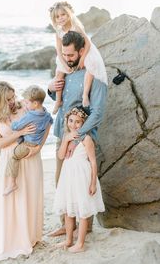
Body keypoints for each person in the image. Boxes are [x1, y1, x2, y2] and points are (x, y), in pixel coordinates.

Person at [48, 30, 108, 236]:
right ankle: (67, 225)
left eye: (71, 55)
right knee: (62, 180)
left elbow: (98, 111)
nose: (67, 59)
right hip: (62, 133)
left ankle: (86, 228)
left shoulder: (95, 73)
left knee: (82, 183)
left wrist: (78, 138)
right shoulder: (67, 68)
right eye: (64, 55)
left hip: (82, 139)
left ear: (82, 51)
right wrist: (50, 88)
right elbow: (59, 94)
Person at [0, 81, 50, 261]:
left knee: (29, 196)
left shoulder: (24, 107)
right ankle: (12, 239)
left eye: (13, 96)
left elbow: (46, 124)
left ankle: (30, 237)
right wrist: (18, 133)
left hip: (30, 156)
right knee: (11, 200)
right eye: (8, 99)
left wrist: (39, 147)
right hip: (9, 159)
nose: (13, 101)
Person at [53, 107, 105, 252]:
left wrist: (93, 182)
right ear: (67, 120)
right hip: (68, 177)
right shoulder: (66, 136)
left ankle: (80, 243)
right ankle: (68, 240)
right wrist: (67, 139)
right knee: (69, 211)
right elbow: (61, 156)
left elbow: (93, 162)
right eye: (71, 121)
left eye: (78, 122)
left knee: (82, 211)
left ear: (84, 123)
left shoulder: (87, 139)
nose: (73, 125)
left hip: (82, 176)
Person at [49, 1, 107, 114]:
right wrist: (64, 63)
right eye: (57, 17)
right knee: (59, 73)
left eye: (63, 15)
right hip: (67, 54)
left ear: (69, 14)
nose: (60, 18)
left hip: (84, 51)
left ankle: (85, 94)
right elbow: (59, 51)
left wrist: (82, 59)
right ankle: (58, 101)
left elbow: (88, 43)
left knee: (90, 68)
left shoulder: (76, 27)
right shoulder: (59, 32)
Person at [4, 85, 53, 196]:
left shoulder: (30, 115)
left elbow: (16, 127)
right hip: (36, 143)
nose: (24, 105)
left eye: (26, 103)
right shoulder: (46, 114)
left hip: (27, 145)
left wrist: (9, 122)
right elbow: (50, 121)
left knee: (14, 157)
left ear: (35, 104)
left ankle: (12, 183)